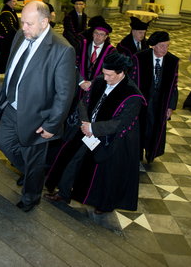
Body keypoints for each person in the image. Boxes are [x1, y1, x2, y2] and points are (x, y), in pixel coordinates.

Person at [0, 1, 76, 212]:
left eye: (29, 24)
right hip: (12, 107)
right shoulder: (22, 36)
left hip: (39, 118)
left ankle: (31, 198)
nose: (24, 28)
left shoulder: (62, 49)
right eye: (22, 22)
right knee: (3, 143)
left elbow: (64, 94)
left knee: (34, 158)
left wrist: (52, 125)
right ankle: (34, 173)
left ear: (45, 22)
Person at [45, 52, 145, 214]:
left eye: (109, 75)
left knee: (103, 175)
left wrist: (93, 128)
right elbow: (83, 103)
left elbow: (121, 123)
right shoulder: (99, 81)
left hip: (110, 141)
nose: (105, 78)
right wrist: (85, 124)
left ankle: (102, 204)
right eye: (104, 73)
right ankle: (63, 193)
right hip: (86, 132)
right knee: (72, 162)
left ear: (121, 73)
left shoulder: (132, 95)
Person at [132, 31, 179, 163]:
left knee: (155, 128)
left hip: (160, 103)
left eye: (167, 46)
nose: (165, 49)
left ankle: (151, 153)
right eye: (162, 46)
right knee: (140, 127)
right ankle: (137, 153)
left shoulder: (172, 61)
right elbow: (132, 81)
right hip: (143, 101)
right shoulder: (139, 58)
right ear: (153, 45)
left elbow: (174, 85)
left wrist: (171, 106)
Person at [77, 16, 115, 94]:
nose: (98, 36)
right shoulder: (82, 45)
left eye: (101, 34)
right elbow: (73, 64)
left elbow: (110, 72)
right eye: (96, 33)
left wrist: (91, 83)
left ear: (106, 37)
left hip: (98, 86)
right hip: (78, 84)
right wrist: (81, 82)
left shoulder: (111, 51)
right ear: (92, 34)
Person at [0, 0, 19, 73]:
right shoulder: (6, 13)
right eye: (13, 1)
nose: (15, 3)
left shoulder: (11, 11)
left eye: (16, 1)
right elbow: (9, 28)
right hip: (6, 41)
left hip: (10, 39)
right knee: (5, 56)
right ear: (8, 2)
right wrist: (18, 34)